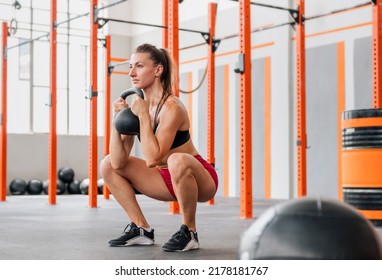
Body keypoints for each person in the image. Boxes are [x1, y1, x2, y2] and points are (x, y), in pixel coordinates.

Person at [100, 43, 218, 252]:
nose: (132, 73)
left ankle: (189, 232)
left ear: (158, 70)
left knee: (176, 159)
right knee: (107, 164)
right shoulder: (138, 108)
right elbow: (118, 162)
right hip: (164, 179)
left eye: (139, 66)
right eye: (130, 67)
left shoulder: (172, 107)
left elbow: (153, 158)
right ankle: (141, 229)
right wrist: (117, 120)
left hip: (199, 180)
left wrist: (144, 116)